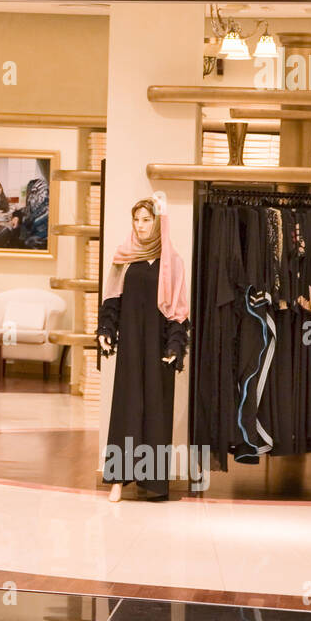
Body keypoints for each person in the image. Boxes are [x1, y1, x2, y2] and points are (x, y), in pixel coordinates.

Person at [97, 198, 190, 502]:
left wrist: (176, 344)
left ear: (158, 222)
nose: (141, 226)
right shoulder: (124, 257)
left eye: (147, 220)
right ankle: (118, 480)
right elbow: (112, 298)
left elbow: (177, 309)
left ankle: (153, 483)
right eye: (136, 220)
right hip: (132, 347)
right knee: (127, 407)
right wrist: (106, 329)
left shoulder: (171, 261)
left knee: (156, 411)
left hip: (159, 346)